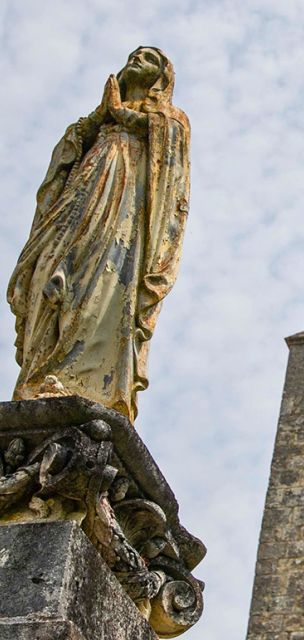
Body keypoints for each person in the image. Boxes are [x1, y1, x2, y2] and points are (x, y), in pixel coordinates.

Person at [7, 47, 190, 421]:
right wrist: (98, 119)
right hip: (78, 203)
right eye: (134, 55)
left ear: (161, 76)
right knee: (50, 276)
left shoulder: (168, 120)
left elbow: (171, 152)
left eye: (148, 58)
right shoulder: (98, 121)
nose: (136, 59)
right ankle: (39, 375)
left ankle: (83, 379)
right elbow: (67, 154)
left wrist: (122, 115)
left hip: (122, 213)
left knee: (102, 288)